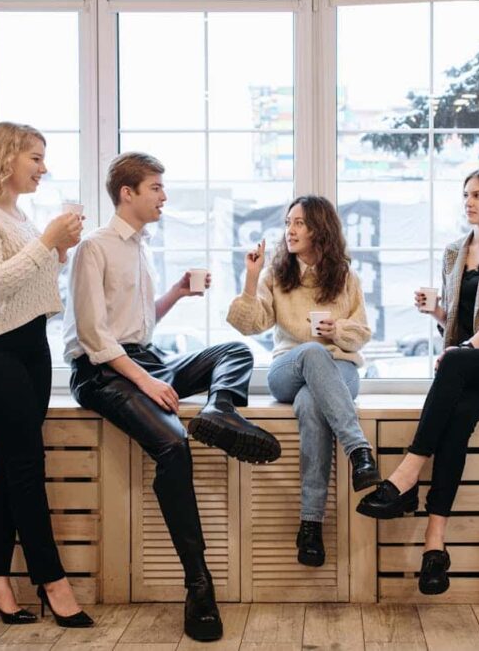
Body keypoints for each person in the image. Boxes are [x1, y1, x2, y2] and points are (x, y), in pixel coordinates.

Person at [64, 151, 280, 642]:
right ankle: (198, 584)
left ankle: (220, 410)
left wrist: (176, 295)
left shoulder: (140, 247)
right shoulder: (94, 247)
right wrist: (147, 382)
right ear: (128, 193)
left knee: (234, 350)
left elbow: (135, 325)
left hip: (144, 357)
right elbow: (96, 337)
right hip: (101, 373)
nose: (164, 196)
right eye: (156, 188)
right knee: (173, 446)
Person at [356, 166, 479, 595]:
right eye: (466, 194)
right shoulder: (453, 251)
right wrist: (439, 316)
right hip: (478, 366)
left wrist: (463, 353)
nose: (469, 201)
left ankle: (406, 475)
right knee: (459, 416)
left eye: (478, 194)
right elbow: (461, 329)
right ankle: (434, 547)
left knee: (457, 365)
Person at [0, 121, 91, 627]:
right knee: (26, 465)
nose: (44, 168)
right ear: (6, 157)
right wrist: (47, 240)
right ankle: (53, 582)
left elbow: (33, 280)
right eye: (35, 157)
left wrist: (59, 248)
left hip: (29, 347)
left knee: (11, 465)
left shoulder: (19, 215)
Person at [228, 195, 381, 568]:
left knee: (312, 405)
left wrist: (337, 328)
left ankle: (310, 526)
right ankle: (359, 450)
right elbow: (251, 324)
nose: (290, 230)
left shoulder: (345, 277)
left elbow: (361, 333)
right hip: (288, 369)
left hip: (339, 369)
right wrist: (251, 278)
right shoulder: (276, 275)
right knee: (313, 352)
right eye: (288, 223)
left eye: (299, 223)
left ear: (319, 229)